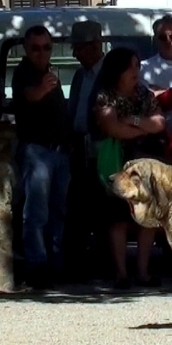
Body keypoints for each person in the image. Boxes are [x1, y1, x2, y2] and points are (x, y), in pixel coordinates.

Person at [94, 47, 165, 289]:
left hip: (145, 165)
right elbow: (112, 128)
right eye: (131, 66)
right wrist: (144, 128)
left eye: (138, 65)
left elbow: (159, 124)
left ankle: (143, 272)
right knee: (118, 219)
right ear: (118, 70)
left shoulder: (144, 94)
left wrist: (134, 121)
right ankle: (121, 274)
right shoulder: (105, 97)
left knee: (147, 219)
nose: (137, 71)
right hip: (117, 163)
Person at [12, 25, 70, 289]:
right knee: (36, 213)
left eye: (47, 47)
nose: (42, 52)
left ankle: (55, 263)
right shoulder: (24, 73)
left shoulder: (49, 73)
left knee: (58, 211)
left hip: (59, 152)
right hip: (36, 152)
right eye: (36, 47)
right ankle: (36, 266)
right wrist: (43, 89)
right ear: (26, 48)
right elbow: (28, 96)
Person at [64, 21, 105, 280]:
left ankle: (103, 264)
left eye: (79, 48)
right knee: (78, 207)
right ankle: (79, 264)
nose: (76, 54)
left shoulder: (108, 73)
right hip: (79, 147)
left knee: (102, 209)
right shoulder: (80, 75)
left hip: (101, 149)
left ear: (94, 46)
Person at [141, 14, 172, 91]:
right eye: (163, 37)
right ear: (156, 39)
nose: (168, 41)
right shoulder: (144, 69)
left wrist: (160, 91)